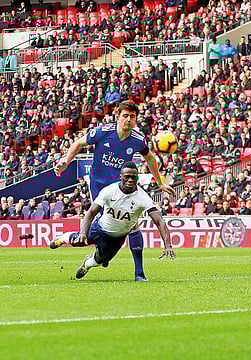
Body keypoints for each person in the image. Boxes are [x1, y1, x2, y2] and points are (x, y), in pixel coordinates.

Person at [53, 101, 175, 282]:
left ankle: (138, 273)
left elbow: (149, 157)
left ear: (136, 120)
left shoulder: (138, 139)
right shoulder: (103, 132)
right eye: (125, 116)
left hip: (124, 185)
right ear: (118, 116)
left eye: (132, 117)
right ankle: (78, 243)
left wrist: (160, 182)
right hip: (100, 186)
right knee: (107, 227)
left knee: (132, 224)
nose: (128, 120)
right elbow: (79, 143)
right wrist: (66, 161)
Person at [51, 162, 175, 280]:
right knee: (78, 241)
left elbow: (160, 221)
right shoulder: (109, 191)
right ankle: (63, 238)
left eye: (134, 177)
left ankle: (86, 265)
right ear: (120, 176)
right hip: (99, 229)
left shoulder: (142, 198)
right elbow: (91, 212)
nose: (130, 180)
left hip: (118, 238)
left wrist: (168, 245)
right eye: (127, 177)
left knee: (100, 261)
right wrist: (83, 233)